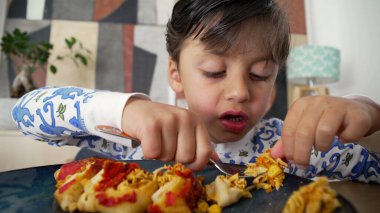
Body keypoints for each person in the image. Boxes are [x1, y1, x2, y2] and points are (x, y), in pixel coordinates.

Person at [12, 0, 380, 183]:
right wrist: (126, 110)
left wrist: (367, 110)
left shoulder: (294, 147)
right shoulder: (139, 135)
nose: (238, 91)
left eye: (260, 74)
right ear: (176, 74)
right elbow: (26, 113)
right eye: (215, 71)